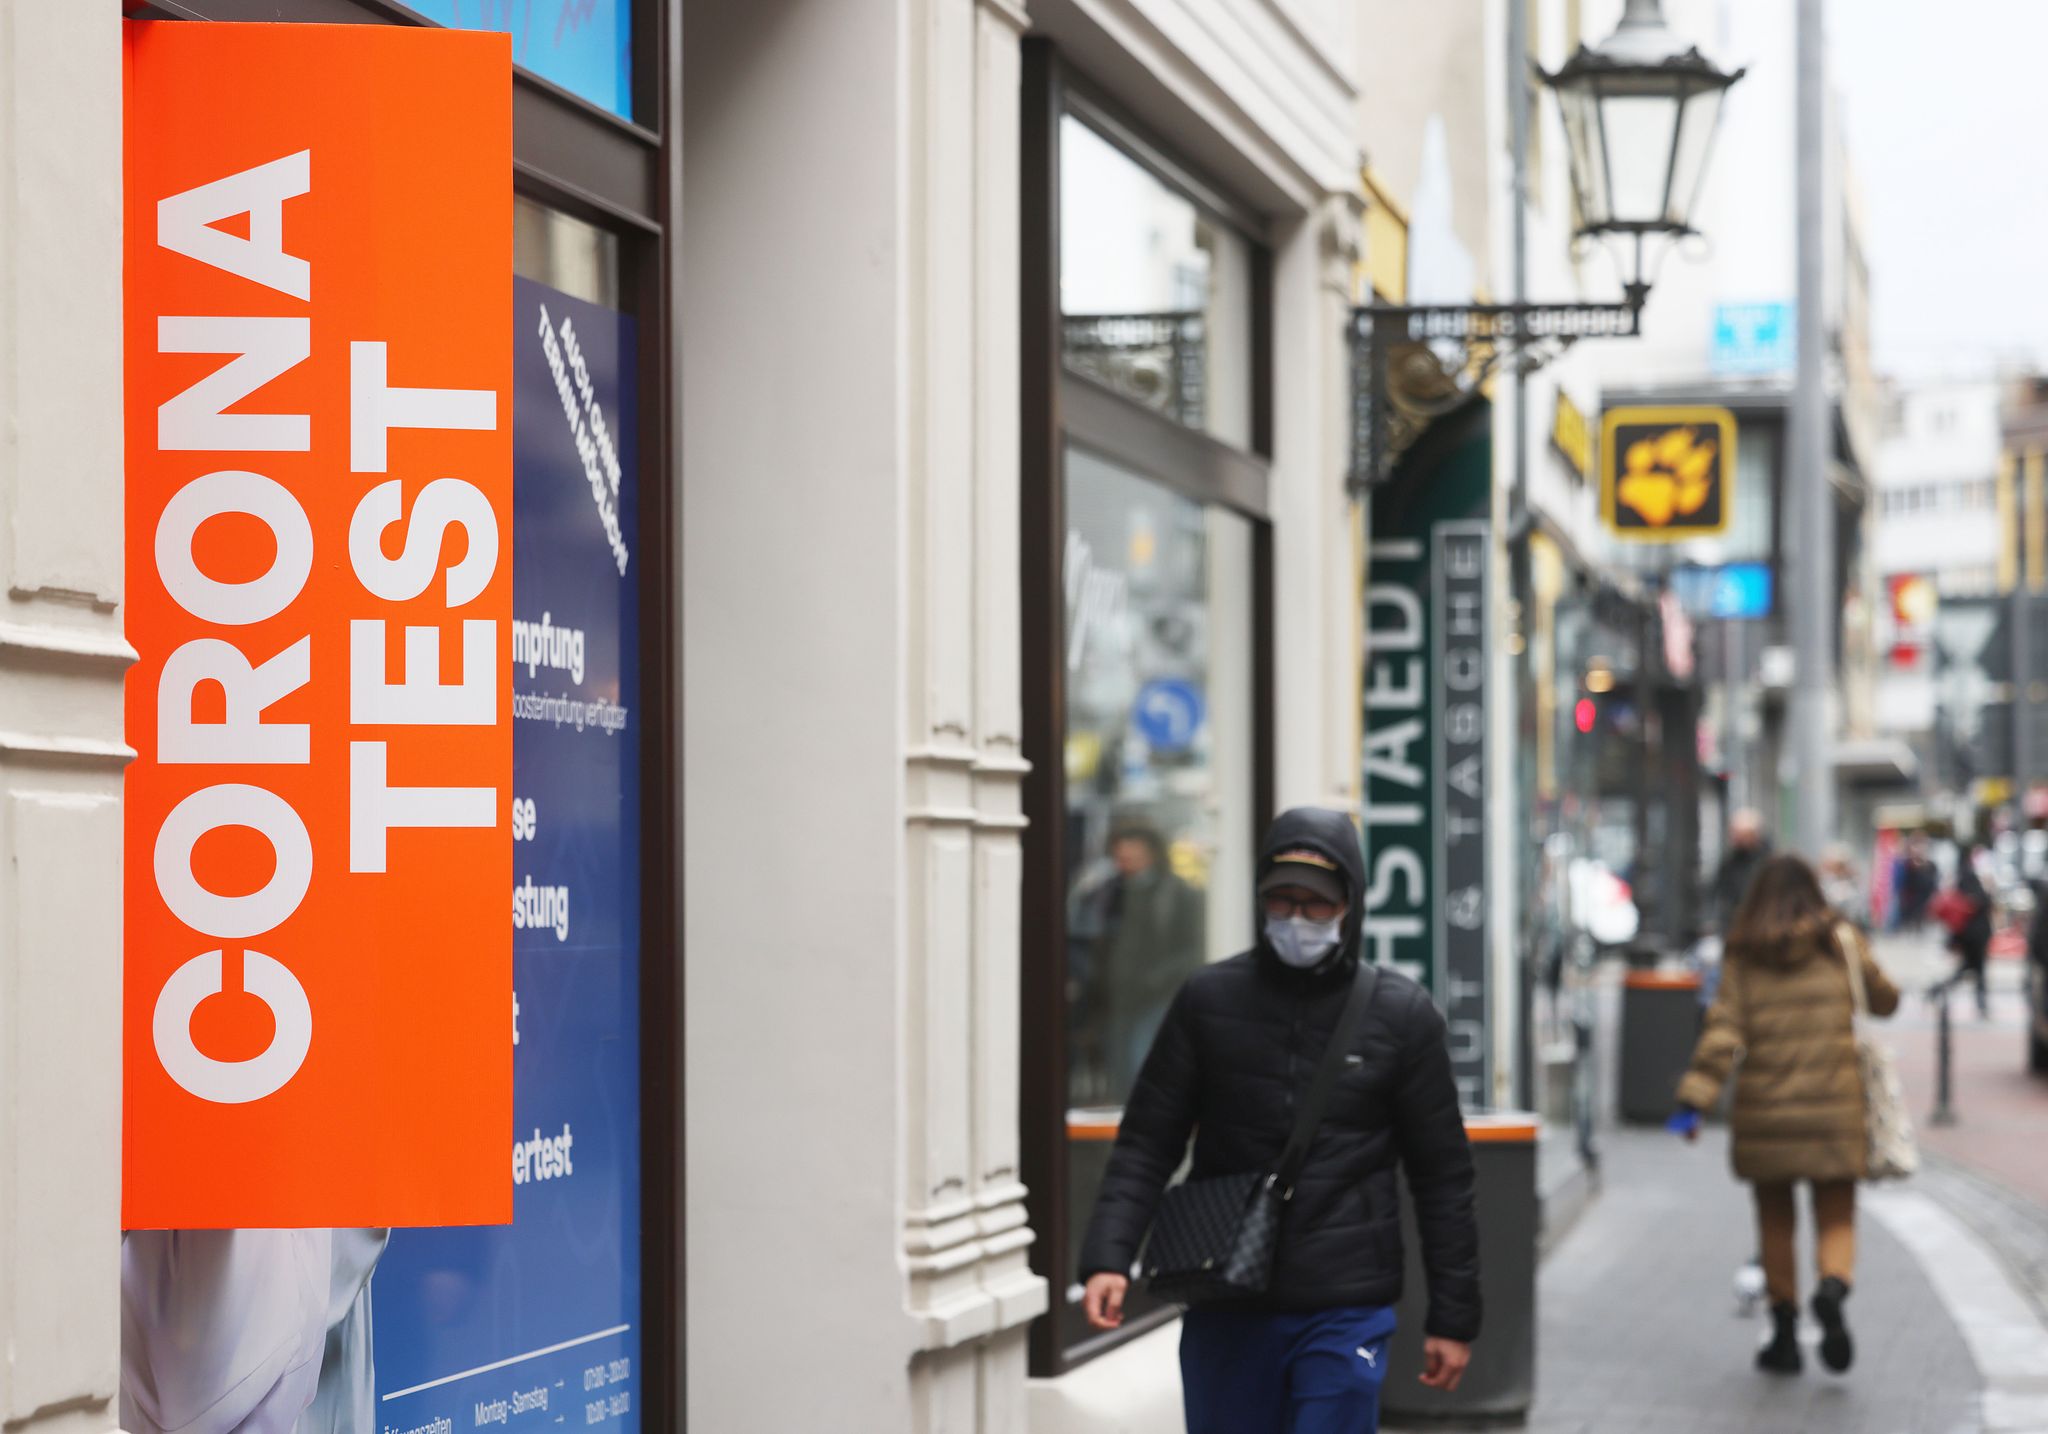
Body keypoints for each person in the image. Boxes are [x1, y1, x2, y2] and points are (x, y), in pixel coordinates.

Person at [1076, 807, 1480, 1434]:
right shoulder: (1208, 1000)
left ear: (1350, 904)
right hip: (1224, 1297)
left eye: (1316, 904)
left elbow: (1444, 1177)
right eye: (1281, 901)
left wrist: (1454, 1317)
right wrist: (1108, 1255)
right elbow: (1147, 1141)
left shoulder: (1401, 1017)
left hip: (1346, 1305)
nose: (1296, 919)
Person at [1668, 853, 1901, 1377]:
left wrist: (1693, 1104)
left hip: (1765, 1114)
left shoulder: (1744, 953)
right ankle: (1833, 1288)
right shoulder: (1839, 941)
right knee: (1836, 1214)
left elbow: (1723, 1031)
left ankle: (1786, 1338)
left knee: (1775, 1221)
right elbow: (1885, 1000)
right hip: (1835, 1110)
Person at [1069, 818, 1207, 1099]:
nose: (1126, 859)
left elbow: (1192, 948)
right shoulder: (1106, 892)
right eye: (1121, 852)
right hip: (1114, 999)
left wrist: (1157, 979)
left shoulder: (1178, 894)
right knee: (1119, 1070)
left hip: (1157, 997)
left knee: (1144, 1067)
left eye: (1134, 851)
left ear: (1152, 852)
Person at [1941, 840, 1994, 1019]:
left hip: (1970, 933)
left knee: (1970, 968)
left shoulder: (1961, 875)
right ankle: (1981, 1004)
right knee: (1976, 969)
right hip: (1974, 934)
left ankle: (1939, 990)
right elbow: (1981, 902)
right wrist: (1988, 891)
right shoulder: (1969, 875)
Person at [1709, 808, 1771, 935]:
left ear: (1753, 835)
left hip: (1762, 925)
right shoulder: (1730, 861)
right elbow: (1717, 890)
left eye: (1739, 835)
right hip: (1735, 925)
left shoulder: (1768, 861)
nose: (1734, 839)